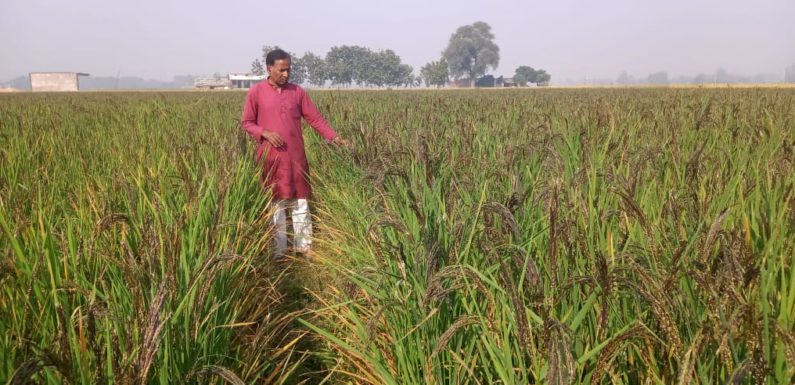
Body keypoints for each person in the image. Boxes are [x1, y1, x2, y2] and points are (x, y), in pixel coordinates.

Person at [241, 48, 350, 258]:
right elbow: (247, 123)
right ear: (269, 68)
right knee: (276, 203)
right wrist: (264, 132)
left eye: (288, 70)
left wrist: (335, 138)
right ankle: (279, 252)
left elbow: (315, 119)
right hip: (270, 159)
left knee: (300, 201)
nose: (286, 74)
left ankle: (304, 246)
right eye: (282, 70)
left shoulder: (297, 92)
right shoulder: (256, 92)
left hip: (296, 157)